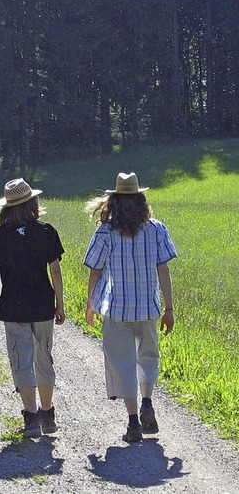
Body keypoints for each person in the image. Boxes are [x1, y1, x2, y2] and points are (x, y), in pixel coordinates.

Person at [83, 172, 177, 443]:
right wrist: (168, 308)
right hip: (148, 307)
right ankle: (147, 401)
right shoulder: (157, 229)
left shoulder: (105, 232)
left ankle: (133, 421)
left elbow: (95, 271)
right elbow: (163, 269)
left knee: (121, 363)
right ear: (141, 199)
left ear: (113, 201)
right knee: (147, 357)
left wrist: (91, 304)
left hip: (117, 309)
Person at [0, 178, 65, 438]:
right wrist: (60, 303)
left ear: (6, 207)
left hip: (14, 305)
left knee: (21, 360)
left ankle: (31, 419)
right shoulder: (46, 231)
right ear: (33, 203)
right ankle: (48, 414)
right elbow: (55, 271)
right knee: (44, 358)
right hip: (43, 303)